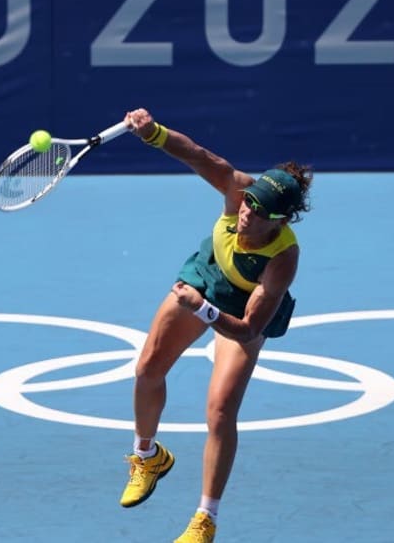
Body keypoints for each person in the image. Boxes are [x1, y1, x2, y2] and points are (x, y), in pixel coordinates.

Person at [117, 108, 313, 543]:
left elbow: (246, 329)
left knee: (221, 412)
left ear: (280, 220)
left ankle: (205, 519)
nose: (247, 212)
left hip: (241, 309)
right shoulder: (238, 189)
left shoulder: (282, 259)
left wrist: (202, 308)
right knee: (148, 369)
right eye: (249, 200)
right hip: (209, 274)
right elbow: (198, 155)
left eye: (260, 210)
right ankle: (146, 456)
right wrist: (153, 132)